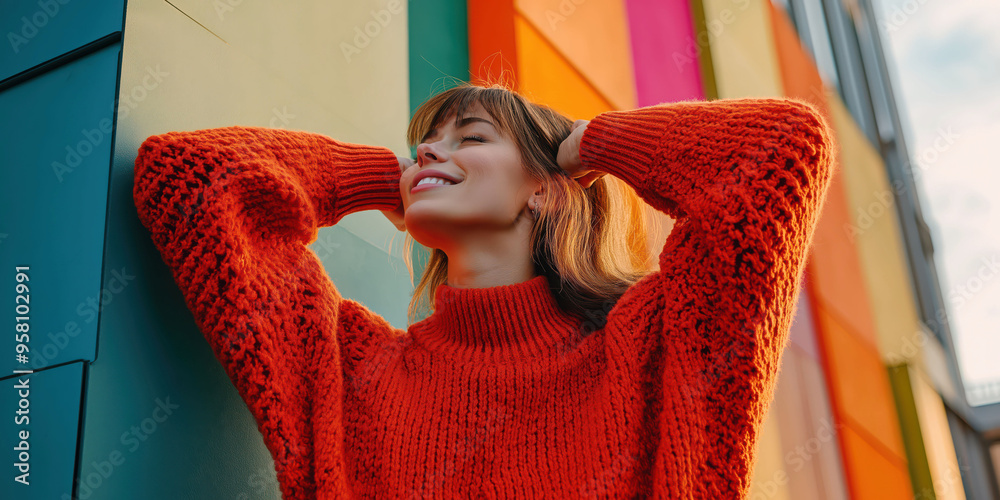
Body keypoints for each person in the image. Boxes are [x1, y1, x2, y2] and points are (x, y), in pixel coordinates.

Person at [133, 82, 835, 499]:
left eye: (470, 136)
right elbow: (191, 179)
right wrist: (384, 177)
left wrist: (583, 147)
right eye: (423, 146)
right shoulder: (351, 368)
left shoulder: (659, 344)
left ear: (547, 193)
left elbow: (780, 150)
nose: (430, 152)